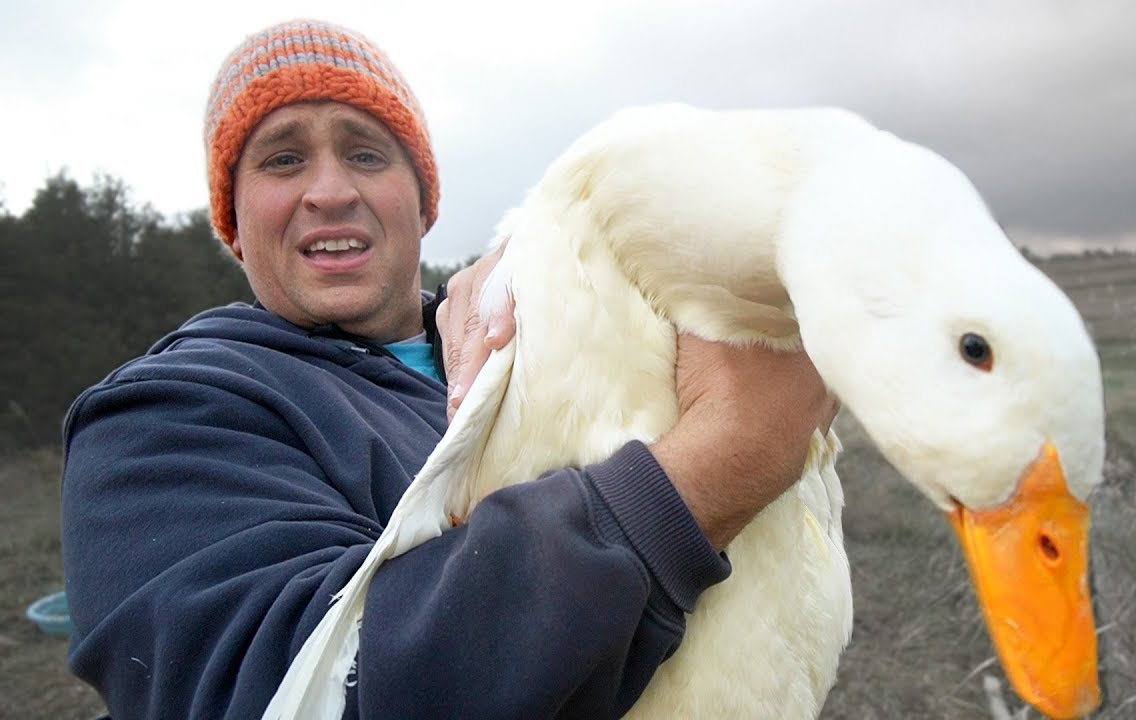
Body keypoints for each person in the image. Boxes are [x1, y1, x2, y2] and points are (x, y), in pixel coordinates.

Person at [60, 18, 835, 719]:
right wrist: (723, 461)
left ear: (422, 201)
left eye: (366, 154)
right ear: (233, 225)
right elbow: (300, 696)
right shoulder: (162, 419)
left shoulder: (550, 336)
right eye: (283, 159)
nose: (329, 191)